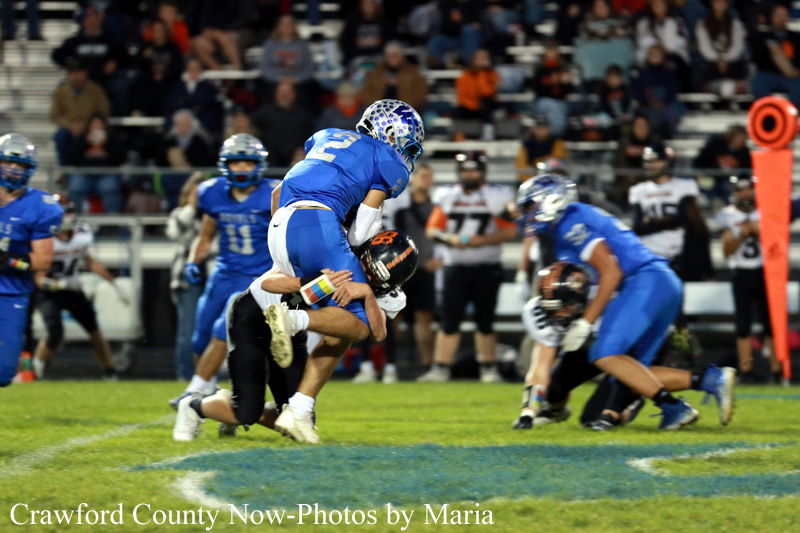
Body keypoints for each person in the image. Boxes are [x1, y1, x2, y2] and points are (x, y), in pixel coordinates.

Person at [515, 173, 734, 429]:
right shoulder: (567, 233)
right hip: (656, 283)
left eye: (531, 206)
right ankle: (704, 386)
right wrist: (528, 412)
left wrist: (585, 322)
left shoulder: (570, 225)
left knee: (604, 353)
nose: (528, 214)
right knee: (630, 372)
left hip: (644, 283)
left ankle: (672, 407)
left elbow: (611, 272)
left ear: (551, 200)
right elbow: (541, 362)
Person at [263, 99, 424, 443]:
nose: (406, 152)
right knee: (360, 323)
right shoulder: (387, 159)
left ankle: (299, 407)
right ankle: (293, 324)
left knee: (338, 322)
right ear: (390, 133)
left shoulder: (328, 136)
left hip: (280, 226)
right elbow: (361, 230)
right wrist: (353, 257)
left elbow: (278, 192)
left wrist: (290, 241)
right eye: (406, 142)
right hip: (317, 223)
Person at [512, 260, 738, 430]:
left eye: (563, 308)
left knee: (595, 417)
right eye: (551, 308)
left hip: (634, 344)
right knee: (554, 389)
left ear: (581, 300)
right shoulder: (541, 314)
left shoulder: (613, 301)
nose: (556, 315)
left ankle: (700, 381)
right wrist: (527, 411)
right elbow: (540, 367)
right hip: (591, 348)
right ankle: (556, 412)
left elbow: (633, 347)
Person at [169, 134, 277, 406]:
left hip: (257, 277)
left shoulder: (274, 193)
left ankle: (196, 390)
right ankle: (208, 388)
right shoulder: (212, 191)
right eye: (236, 162)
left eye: (248, 163)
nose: (242, 168)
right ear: (225, 165)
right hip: (224, 273)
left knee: (223, 328)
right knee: (199, 338)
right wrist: (193, 261)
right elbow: (205, 236)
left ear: (259, 165)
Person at [417, 151, 517, 383]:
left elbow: (510, 231)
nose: (470, 175)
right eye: (466, 170)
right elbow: (432, 230)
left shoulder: (496, 195)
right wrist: (450, 239)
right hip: (455, 265)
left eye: (474, 170)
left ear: (483, 172)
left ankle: (489, 367)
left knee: (485, 321)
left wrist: (483, 240)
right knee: (449, 321)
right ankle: (441, 367)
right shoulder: (447, 195)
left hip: (487, 265)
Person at [32, 203, 126, 380]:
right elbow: (39, 279)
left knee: (94, 329)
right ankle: (37, 367)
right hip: (49, 293)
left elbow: (91, 262)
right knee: (54, 332)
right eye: (63, 213)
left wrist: (113, 283)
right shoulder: (45, 239)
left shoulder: (80, 235)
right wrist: (58, 285)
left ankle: (108, 370)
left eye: (69, 212)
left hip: (73, 291)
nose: (67, 217)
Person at [0, 134, 64, 387]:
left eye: (20, 165)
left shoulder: (41, 206)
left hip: (11, 292)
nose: (14, 169)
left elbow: (42, 261)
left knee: (3, 372)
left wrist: (8, 260)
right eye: (8, 162)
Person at [717, 176, 780, 383]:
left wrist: (761, 233)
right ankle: (746, 370)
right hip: (741, 273)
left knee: (770, 324)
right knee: (743, 326)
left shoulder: (765, 212)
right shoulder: (728, 215)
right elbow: (726, 251)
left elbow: (777, 245)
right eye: (740, 190)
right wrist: (741, 236)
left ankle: (776, 370)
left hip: (765, 272)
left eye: (748, 189)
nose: (745, 194)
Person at [629, 142, 706, 276]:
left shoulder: (684, 186)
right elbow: (638, 227)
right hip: (648, 257)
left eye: (657, 161)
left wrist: (652, 222)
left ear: (668, 162)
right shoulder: (638, 190)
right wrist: (669, 221)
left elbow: (686, 221)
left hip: (677, 256)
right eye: (648, 161)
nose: (652, 165)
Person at [166, 173, 208, 381]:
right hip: (186, 278)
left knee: (214, 328)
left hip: (214, 274)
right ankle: (186, 374)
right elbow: (175, 235)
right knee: (188, 329)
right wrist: (191, 207)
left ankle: (210, 373)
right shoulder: (179, 214)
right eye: (194, 193)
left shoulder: (215, 214)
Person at [50, 60, 110, 165]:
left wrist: (89, 125)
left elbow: (104, 111)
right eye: (73, 73)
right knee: (60, 136)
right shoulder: (61, 91)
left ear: (85, 74)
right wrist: (69, 125)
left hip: (90, 128)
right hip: (69, 129)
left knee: (99, 136)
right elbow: (55, 115)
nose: (77, 76)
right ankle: (66, 168)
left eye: (79, 72)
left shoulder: (95, 90)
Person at [65, 114, 127, 214]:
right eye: (94, 126)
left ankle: (112, 218)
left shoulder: (113, 139)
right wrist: (85, 142)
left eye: (99, 125)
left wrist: (107, 143)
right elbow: (72, 158)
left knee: (110, 188)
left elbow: (120, 158)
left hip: (106, 174)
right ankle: (75, 217)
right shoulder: (81, 139)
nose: (96, 128)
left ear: (104, 127)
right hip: (84, 173)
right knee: (75, 188)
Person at [258, 15, 317, 109]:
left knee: (307, 93)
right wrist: (279, 78)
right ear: (278, 27)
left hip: (298, 81)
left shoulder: (303, 45)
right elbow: (264, 67)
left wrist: (296, 79)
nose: (287, 26)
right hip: (274, 81)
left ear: (294, 26)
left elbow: (309, 67)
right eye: (284, 24)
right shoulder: (270, 44)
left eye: (290, 24)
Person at [252, 80, 315, 168]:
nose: (284, 96)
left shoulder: (304, 116)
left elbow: (309, 136)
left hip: (296, 160)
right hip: (269, 159)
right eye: (281, 93)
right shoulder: (264, 114)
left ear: (294, 95)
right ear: (275, 95)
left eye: (287, 93)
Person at [750, 4, 800, 110]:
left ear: (788, 18)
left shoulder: (796, 37)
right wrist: (774, 56)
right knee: (758, 81)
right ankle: (768, 112)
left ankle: (793, 114)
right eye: (778, 16)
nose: (781, 19)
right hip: (769, 74)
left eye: (784, 16)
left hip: (792, 77)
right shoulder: (763, 37)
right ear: (772, 18)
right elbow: (756, 59)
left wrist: (796, 70)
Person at [695, 0, 748, 95]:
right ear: (712, 3)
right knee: (701, 67)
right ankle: (706, 93)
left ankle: (738, 92)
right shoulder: (703, 23)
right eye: (717, 1)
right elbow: (704, 47)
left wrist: (725, 59)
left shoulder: (735, 23)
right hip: (711, 61)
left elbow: (738, 46)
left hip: (731, 60)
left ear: (727, 4)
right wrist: (718, 59)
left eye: (723, 1)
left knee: (741, 63)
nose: (720, 4)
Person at [634, 0, 690, 90]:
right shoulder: (644, 23)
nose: (658, 6)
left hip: (672, 54)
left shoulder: (677, 21)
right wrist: (658, 49)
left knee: (672, 62)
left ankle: (677, 90)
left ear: (666, 5)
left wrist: (667, 47)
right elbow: (642, 40)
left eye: (661, 4)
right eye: (656, 4)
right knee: (651, 61)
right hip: (650, 55)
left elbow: (682, 40)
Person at [360, 42, 429, 114]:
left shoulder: (412, 72)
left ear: (401, 56)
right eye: (390, 55)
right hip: (380, 112)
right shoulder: (376, 72)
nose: (393, 58)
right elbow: (365, 91)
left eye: (396, 55)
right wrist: (376, 105)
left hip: (406, 111)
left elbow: (421, 91)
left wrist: (408, 106)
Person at [165, 58, 224, 138]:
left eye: (196, 69)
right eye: (191, 69)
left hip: (201, 118)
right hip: (181, 116)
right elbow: (172, 102)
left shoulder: (208, 86)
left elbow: (208, 101)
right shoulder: (178, 85)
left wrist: (185, 101)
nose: (193, 71)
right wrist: (193, 105)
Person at [190, 0, 250, 70]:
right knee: (198, 43)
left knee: (224, 38)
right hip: (214, 32)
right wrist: (206, 30)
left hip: (238, 30)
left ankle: (237, 68)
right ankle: (217, 69)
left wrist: (224, 30)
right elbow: (203, 18)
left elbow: (244, 17)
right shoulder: (209, 2)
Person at [455, 48, 499, 141]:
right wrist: (475, 105)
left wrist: (482, 73)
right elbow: (462, 96)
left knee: (487, 103)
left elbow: (487, 92)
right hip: (470, 106)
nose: (481, 61)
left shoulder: (492, 74)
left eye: (484, 58)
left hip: (486, 106)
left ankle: (488, 134)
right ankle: (459, 137)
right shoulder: (465, 74)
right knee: (458, 111)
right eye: (479, 58)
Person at [426, 0, 483, 67]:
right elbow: (445, 26)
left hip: (470, 39)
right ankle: (438, 66)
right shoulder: (447, 4)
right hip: (451, 37)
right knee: (436, 39)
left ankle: (469, 64)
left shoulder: (476, 3)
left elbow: (478, 25)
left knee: (468, 30)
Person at [339, 0, 393, 67]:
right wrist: (357, 48)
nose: (369, 7)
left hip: (379, 56)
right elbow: (345, 43)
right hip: (357, 57)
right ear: (361, 5)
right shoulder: (352, 22)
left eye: (371, 4)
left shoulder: (384, 21)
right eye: (366, 4)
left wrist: (381, 44)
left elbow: (390, 41)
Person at [514, 115, 567, 181]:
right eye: (539, 128)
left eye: (544, 128)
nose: (542, 131)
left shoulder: (557, 143)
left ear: (549, 129)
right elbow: (521, 169)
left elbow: (557, 164)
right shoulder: (526, 145)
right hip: (531, 181)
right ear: (534, 129)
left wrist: (537, 164)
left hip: (553, 181)